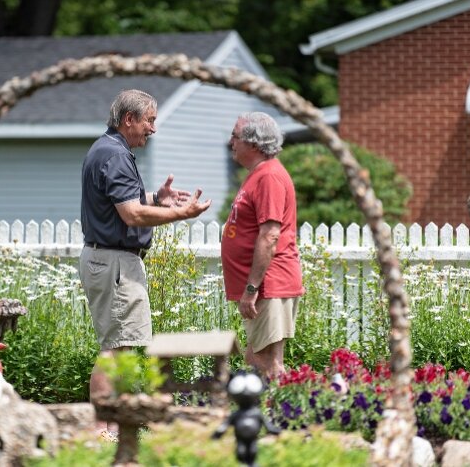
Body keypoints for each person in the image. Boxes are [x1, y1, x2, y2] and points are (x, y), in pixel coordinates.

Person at [80, 89, 212, 402]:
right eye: (149, 121)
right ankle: (104, 430)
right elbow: (132, 214)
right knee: (115, 349)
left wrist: (157, 198)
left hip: (107, 261)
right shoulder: (116, 155)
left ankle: (111, 427)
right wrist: (180, 213)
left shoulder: (107, 149)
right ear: (129, 119)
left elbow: (122, 203)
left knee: (118, 346)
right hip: (114, 264)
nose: (153, 128)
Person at [221, 112, 304, 382]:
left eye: (235, 136)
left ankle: (278, 419)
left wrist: (251, 288)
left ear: (253, 144)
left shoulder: (269, 177)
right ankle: (272, 418)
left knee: (265, 362)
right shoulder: (258, 175)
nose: (230, 141)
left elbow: (269, 235)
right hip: (263, 285)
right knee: (257, 358)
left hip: (268, 284)